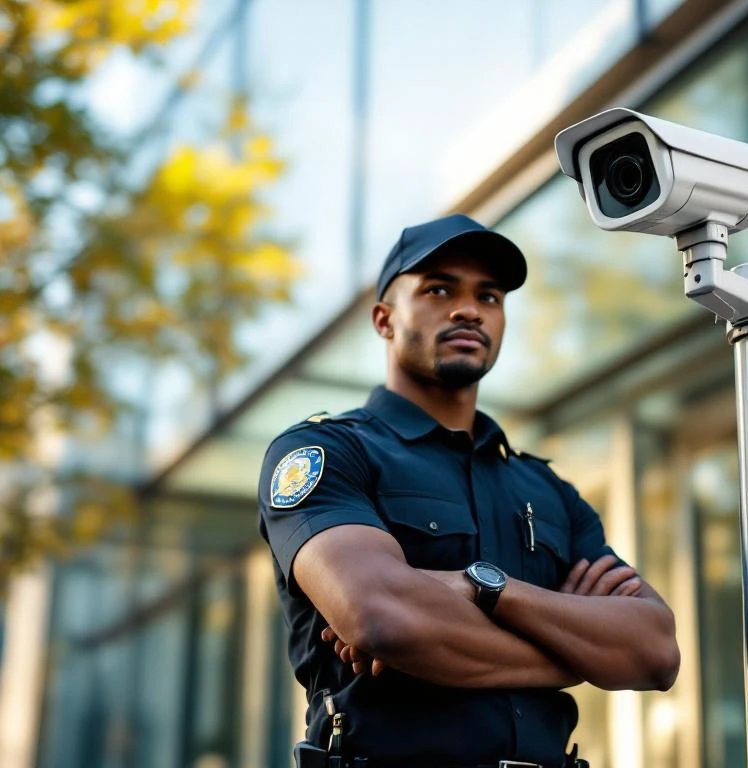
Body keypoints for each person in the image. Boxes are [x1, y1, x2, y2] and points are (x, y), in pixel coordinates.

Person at [257, 213, 680, 768]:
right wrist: (578, 656)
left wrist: (484, 587)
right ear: (383, 320)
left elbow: (653, 651)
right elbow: (381, 617)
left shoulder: (549, 489)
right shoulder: (327, 453)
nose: (468, 309)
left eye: (490, 296)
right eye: (438, 289)